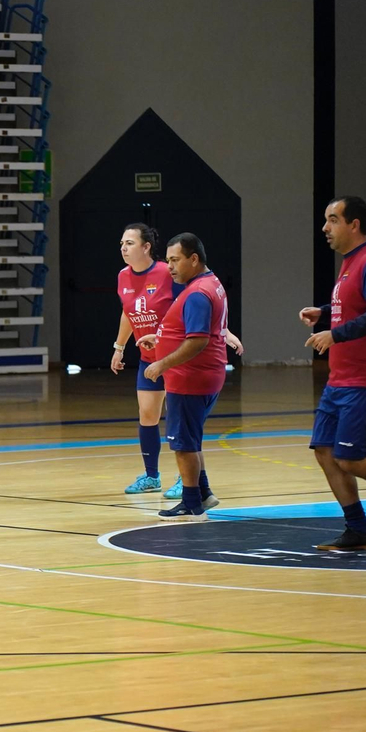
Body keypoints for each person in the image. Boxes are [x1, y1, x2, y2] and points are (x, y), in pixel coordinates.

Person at [301, 195, 366, 550]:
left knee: (350, 456)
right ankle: (359, 530)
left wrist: (335, 333)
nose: (325, 228)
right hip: (340, 379)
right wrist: (326, 312)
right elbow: (353, 305)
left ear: (354, 224)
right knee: (325, 450)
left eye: (332, 220)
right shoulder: (350, 263)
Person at [111, 223, 243, 497]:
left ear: (146, 247)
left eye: (130, 243)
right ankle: (151, 476)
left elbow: (196, 304)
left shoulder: (167, 272)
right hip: (150, 356)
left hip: (175, 357)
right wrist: (119, 347)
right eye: (122, 243)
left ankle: (187, 481)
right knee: (148, 415)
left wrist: (223, 331)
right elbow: (128, 312)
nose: (123, 248)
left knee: (181, 422)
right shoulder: (123, 276)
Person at [136, 233, 229, 520]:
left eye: (175, 260)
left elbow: (198, 340)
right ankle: (203, 493)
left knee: (182, 443)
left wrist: (162, 363)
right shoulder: (209, 284)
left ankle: (191, 503)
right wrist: (162, 335)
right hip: (205, 375)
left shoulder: (198, 293)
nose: (170, 267)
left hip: (190, 378)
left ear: (194, 259)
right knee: (191, 439)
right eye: (168, 261)